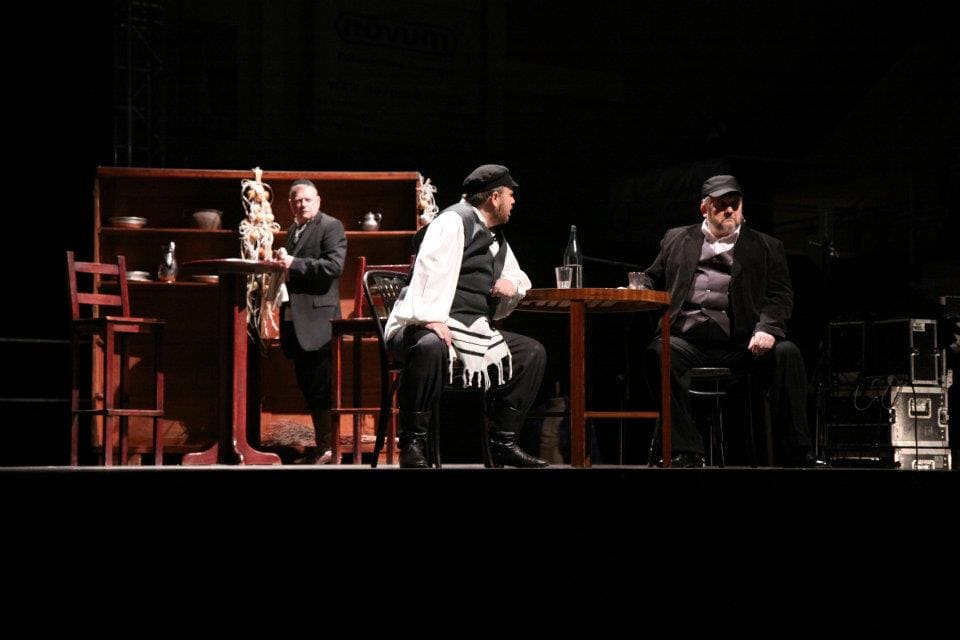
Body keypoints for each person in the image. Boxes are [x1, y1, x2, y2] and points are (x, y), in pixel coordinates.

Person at [643, 174, 828, 468]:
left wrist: (767, 329)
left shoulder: (766, 245)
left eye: (734, 204)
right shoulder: (677, 238)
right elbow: (651, 277)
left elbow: (780, 294)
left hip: (740, 344)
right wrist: (636, 287)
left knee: (787, 353)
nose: (729, 210)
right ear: (704, 208)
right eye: (721, 205)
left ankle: (798, 452)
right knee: (658, 353)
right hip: (687, 340)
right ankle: (687, 451)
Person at [384, 164, 548, 468]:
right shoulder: (453, 221)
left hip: (472, 329)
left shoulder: (495, 239)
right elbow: (428, 269)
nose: (514, 201)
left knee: (531, 353)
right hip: (418, 325)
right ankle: (412, 442)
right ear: (494, 197)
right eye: (510, 194)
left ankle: (503, 442)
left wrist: (510, 285)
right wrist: (430, 317)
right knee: (430, 345)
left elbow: (519, 277)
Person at [273, 179, 347, 464]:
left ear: (318, 200)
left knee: (321, 385)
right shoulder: (294, 230)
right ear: (290, 204)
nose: (301, 204)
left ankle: (328, 448)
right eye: (296, 200)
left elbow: (333, 267)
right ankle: (322, 448)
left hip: (319, 321)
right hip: (296, 319)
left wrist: (293, 262)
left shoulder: (331, 226)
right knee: (307, 384)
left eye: (306, 199)